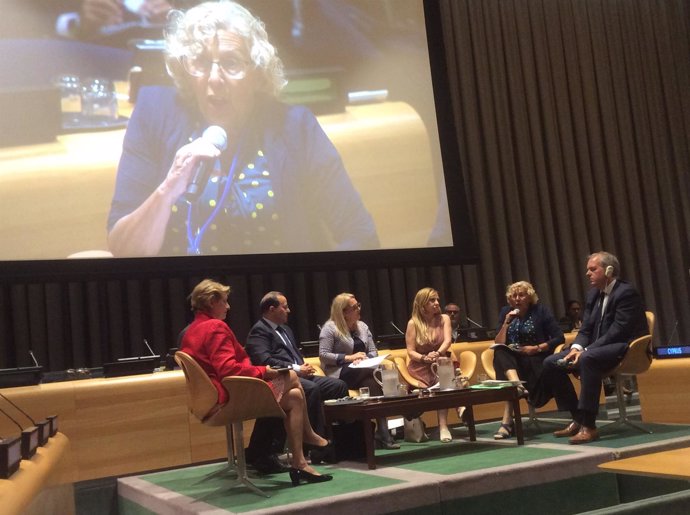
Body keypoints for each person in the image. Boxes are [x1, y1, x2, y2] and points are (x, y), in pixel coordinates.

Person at [107, 1, 378, 257]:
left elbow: (360, 234)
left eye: (231, 63)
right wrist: (167, 190)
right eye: (200, 62)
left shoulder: (295, 127)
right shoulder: (154, 112)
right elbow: (123, 251)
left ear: (257, 73)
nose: (214, 78)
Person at [179, 278, 333, 485]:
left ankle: (300, 463)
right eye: (224, 301)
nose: (228, 306)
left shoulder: (192, 330)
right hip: (230, 397)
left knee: (295, 396)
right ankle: (309, 434)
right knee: (292, 376)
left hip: (212, 397)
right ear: (212, 301)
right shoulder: (215, 327)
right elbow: (228, 369)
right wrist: (264, 371)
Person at [543, 252, 647, 444]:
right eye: (587, 270)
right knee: (551, 362)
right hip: (596, 347)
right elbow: (586, 328)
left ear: (609, 270)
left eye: (592, 269)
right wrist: (576, 346)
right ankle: (578, 417)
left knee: (587, 359)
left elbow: (618, 331)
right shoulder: (593, 294)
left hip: (624, 346)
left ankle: (589, 426)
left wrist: (585, 351)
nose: (587, 274)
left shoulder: (626, 293)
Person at [245, 291, 348, 465]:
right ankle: (314, 447)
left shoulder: (286, 330)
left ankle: (342, 440)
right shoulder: (259, 331)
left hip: (301, 375)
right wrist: (297, 368)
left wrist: (303, 367)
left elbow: (294, 356)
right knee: (311, 390)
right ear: (272, 309)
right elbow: (264, 361)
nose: (289, 310)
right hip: (281, 379)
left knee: (338, 386)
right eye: (284, 307)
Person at [319, 292, 399, 449]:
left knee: (373, 384)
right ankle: (399, 403)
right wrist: (349, 358)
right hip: (340, 372)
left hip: (363, 371)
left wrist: (365, 358)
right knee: (377, 374)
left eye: (358, 305)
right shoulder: (330, 328)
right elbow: (323, 355)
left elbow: (373, 351)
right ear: (343, 311)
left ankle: (383, 431)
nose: (358, 309)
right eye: (354, 307)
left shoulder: (363, 326)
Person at [491, 281, 564, 439]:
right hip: (513, 363)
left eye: (521, 295)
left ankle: (506, 422)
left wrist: (536, 348)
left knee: (508, 370)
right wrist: (506, 323)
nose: (517, 299)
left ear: (529, 297)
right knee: (500, 351)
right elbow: (498, 342)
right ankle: (517, 385)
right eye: (514, 295)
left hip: (535, 358)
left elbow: (559, 337)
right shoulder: (506, 312)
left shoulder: (540, 311)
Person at [405, 287, 458, 442]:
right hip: (420, 366)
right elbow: (410, 351)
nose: (437, 303)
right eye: (432, 300)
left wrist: (438, 353)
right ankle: (459, 407)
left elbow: (448, 340)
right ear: (422, 305)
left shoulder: (444, 319)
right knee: (437, 385)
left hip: (440, 360)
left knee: (444, 378)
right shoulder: (413, 323)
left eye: (437, 300)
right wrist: (424, 358)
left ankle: (443, 426)